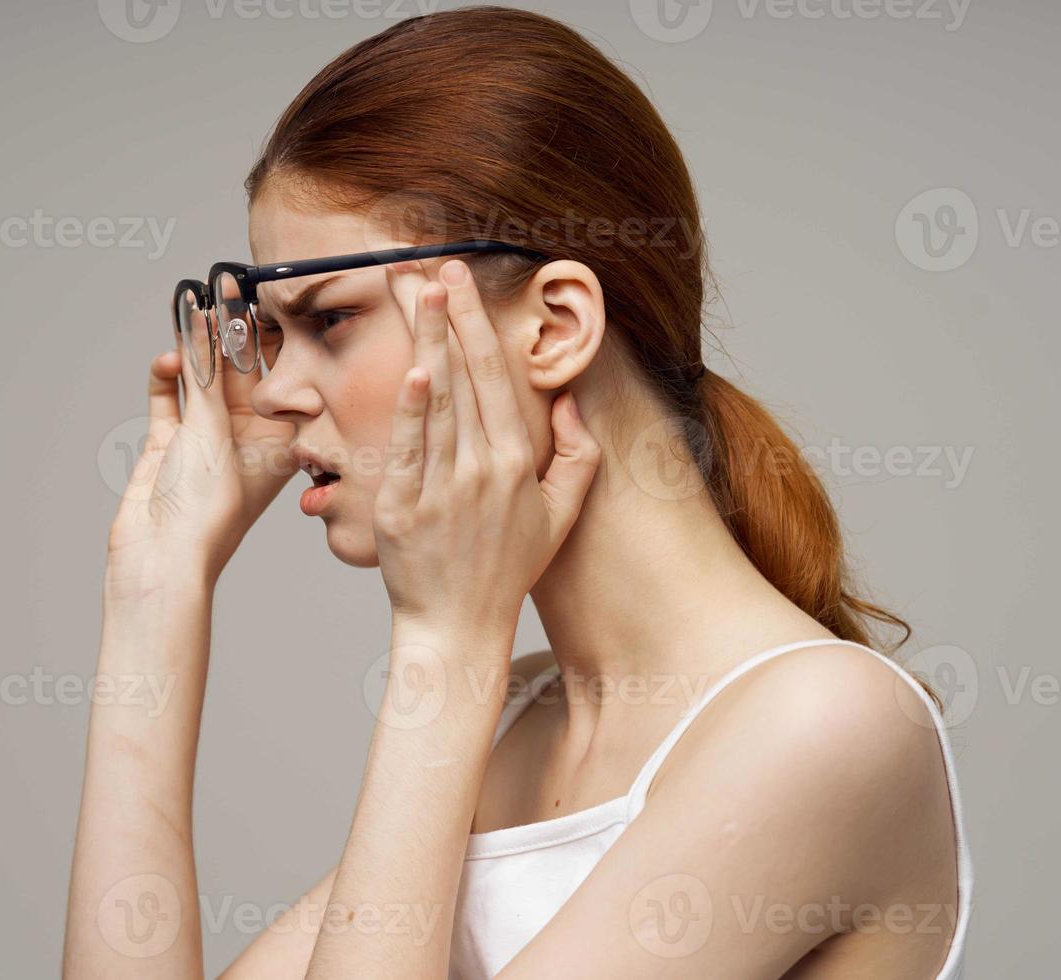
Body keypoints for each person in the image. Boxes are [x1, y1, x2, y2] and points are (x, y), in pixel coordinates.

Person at [64, 7, 972, 978]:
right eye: (272, 334)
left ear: (551, 328)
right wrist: (156, 588)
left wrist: (446, 641)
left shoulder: (822, 724)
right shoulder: (514, 713)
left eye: (331, 319)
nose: (278, 393)